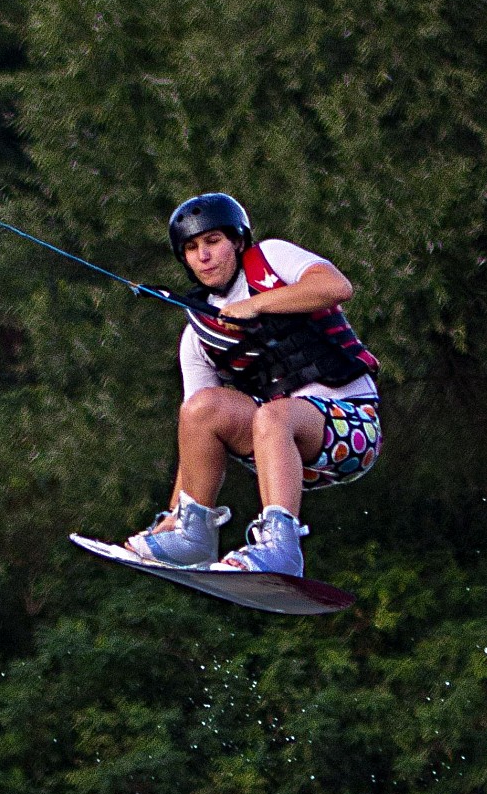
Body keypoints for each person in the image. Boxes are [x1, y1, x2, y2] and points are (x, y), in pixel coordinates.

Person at [121, 192, 382, 579]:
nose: (203, 256)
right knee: (199, 408)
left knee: (273, 414)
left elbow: (337, 287)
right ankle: (191, 535)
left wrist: (258, 305)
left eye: (212, 242)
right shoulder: (197, 335)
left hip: (350, 430)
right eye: (192, 248)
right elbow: (195, 433)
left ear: (237, 241)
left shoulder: (272, 258)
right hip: (274, 451)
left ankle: (281, 549)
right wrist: (175, 510)